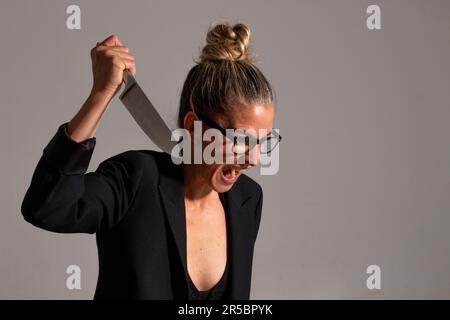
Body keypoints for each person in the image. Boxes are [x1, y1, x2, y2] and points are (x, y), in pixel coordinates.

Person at [21, 21, 280, 300]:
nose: (254, 159)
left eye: (263, 142)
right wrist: (101, 95)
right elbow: (48, 207)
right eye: (241, 140)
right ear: (194, 126)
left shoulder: (248, 199)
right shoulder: (135, 181)